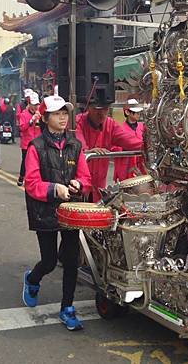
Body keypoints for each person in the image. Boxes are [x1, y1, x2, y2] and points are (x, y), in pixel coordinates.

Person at [22, 94, 91, 331]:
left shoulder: (75, 144)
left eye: (65, 113)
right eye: (57, 114)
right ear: (45, 117)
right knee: (50, 261)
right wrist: (54, 189)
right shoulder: (36, 147)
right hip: (44, 211)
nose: (63, 118)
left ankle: (67, 308)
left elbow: (85, 177)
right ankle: (32, 279)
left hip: (70, 211)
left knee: (71, 260)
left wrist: (79, 185)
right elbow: (31, 184)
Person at [75, 98, 144, 201]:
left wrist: (149, 145)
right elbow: (79, 145)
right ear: (88, 108)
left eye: (105, 109)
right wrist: (88, 151)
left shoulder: (110, 124)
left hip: (100, 182)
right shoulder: (78, 121)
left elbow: (130, 142)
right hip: (79, 183)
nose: (101, 113)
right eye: (97, 109)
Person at [113, 99, 147, 182]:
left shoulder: (143, 127)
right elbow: (114, 148)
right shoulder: (120, 129)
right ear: (127, 112)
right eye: (136, 112)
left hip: (142, 166)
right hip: (126, 167)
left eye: (139, 112)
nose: (138, 114)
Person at [17, 92, 41, 186]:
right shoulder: (24, 114)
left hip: (38, 142)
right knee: (25, 162)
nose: (36, 107)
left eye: (37, 105)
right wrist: (31, 120)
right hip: (27, 142)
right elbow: (22, 128)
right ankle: (22, 176)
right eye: (34, 105)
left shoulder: (40, 114)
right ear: (29, 104)